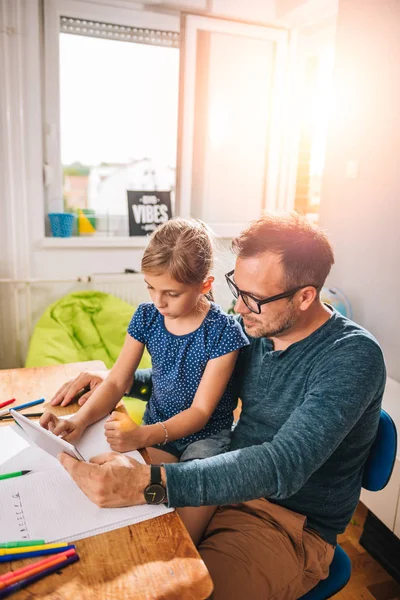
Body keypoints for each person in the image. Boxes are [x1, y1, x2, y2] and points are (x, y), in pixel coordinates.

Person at [48, 213, 386, 600]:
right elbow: (197, 380)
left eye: (253, 298)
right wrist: (115, 383)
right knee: (104, 556)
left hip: (282, 521)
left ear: (305, 296)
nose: (238, 308)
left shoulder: (350, 357)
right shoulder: (258, 326)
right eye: (236, 290)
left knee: (170, 592)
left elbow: (282, 465)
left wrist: (152, 484)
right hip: (220, 482)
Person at [40, 217, 248, 544]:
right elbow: (115, 382)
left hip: (205, 439)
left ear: (205, 285)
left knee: (182, 538)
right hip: (156, 428)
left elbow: (200, 411)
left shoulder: (224, 332)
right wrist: (78, 421)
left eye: (171, 293)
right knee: (127, 506)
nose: (158, 301)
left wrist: (141, 436)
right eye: (150, 287)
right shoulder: (147, 316)